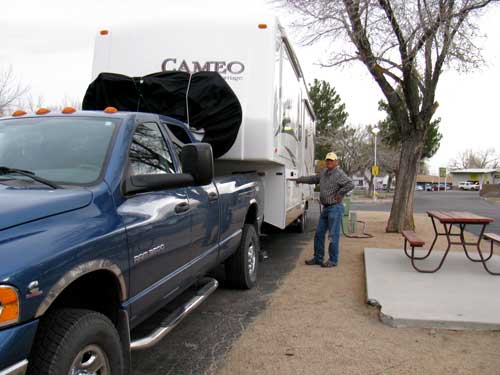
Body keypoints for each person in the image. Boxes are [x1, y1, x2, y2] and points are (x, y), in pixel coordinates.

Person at [292, 152, 354, 268]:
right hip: (326, 208)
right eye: (328, 160)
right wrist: (299, 179)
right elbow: (314, 179)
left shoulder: (339, 173)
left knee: (333, 235)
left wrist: (340, 194)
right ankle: (318, 258)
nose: (329, 162)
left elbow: (350, 184)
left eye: (331, 160)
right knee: (319, 234)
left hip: (335, 208)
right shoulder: (324, 172)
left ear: (336, 162)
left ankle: (333, 260)